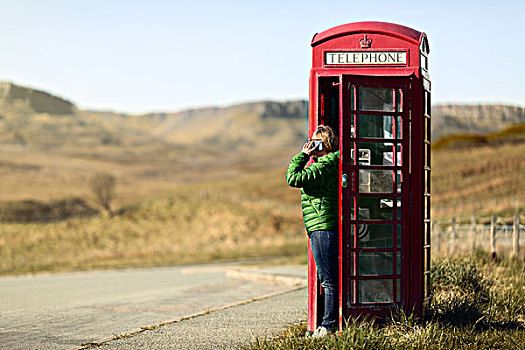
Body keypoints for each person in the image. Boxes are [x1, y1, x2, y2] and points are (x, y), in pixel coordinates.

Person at [285, 125, 339, 337]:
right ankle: (325, 323)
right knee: (327, 277)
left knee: (328, 279)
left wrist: (302, 155)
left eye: (315, 142)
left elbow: (293, 178)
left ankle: (328, 326)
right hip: (321, 226)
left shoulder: (323, 166)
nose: (311, 145)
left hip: (322, 226)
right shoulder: (326, 164)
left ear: (323, 145)